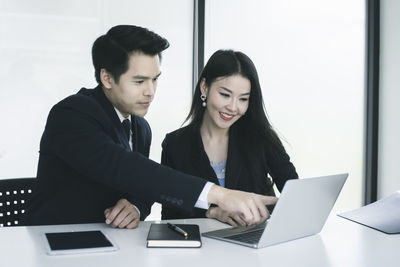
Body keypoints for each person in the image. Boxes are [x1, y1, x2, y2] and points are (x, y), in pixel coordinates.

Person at [25, 25, 276, 228]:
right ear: (107, 78)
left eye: (155, 79)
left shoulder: (141, 128)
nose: (150, 91)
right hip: (53, 243)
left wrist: (134, 206)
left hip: (114, 245)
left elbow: (142, 187)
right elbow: (123, 166)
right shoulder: (71, 114)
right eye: (140, 81)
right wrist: (221, 195)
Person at [161, 50, 298, 226]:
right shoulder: (176, 144)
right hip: (201, 247)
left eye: (243, 99)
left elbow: (294, 195)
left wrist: (262, 212)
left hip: (253, 243)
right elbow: (170, 216)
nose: (233, 107)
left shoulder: (262, 138)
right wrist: (212, 213)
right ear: (205, 87)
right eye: (225, 95)